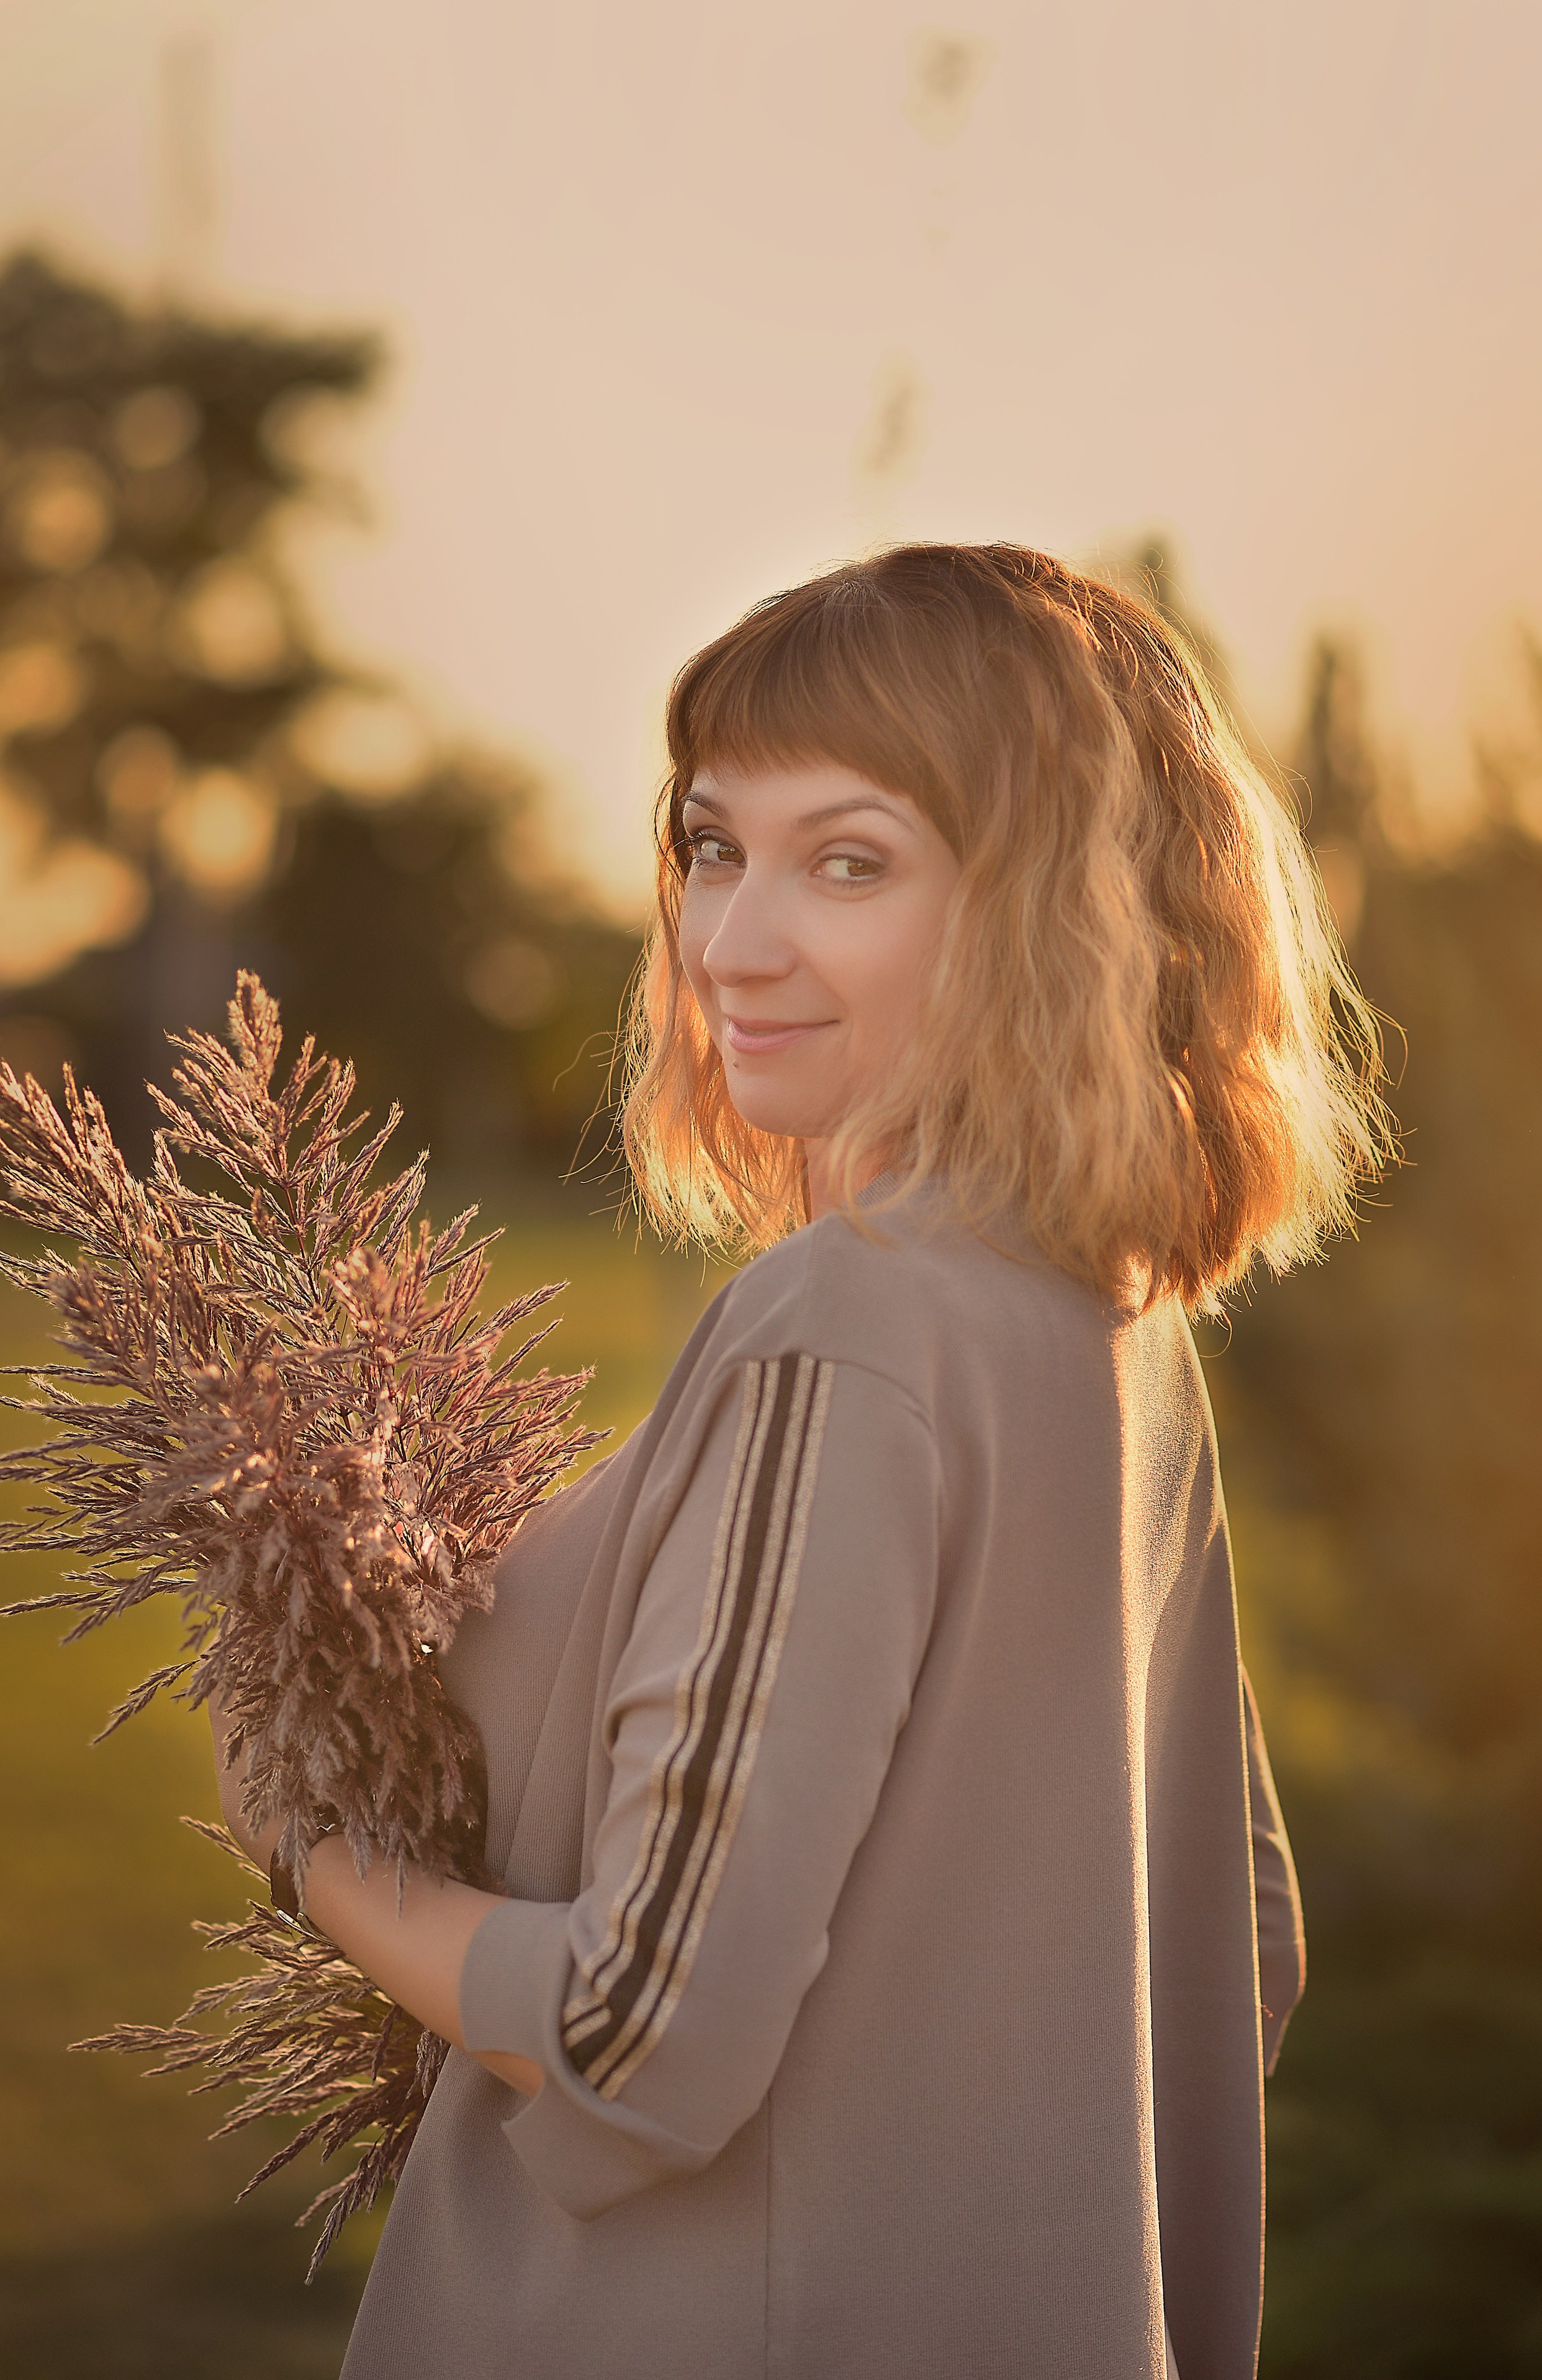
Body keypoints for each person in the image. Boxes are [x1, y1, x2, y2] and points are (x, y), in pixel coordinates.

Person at [213, 542, 1387, 2379]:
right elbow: (1243, 1944)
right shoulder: (1115, 1320)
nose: (731, 938)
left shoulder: (851, 1325)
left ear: (1036, 909)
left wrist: (317, 1855)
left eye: (851, 859)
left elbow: (632, 2026)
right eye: (710, 845)